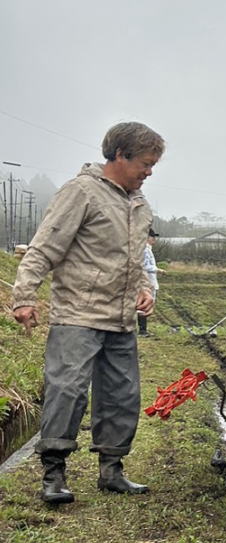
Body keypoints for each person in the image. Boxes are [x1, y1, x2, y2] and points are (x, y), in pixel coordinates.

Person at [12, 121, 164, 504]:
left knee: (122, 394)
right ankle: (54, 473)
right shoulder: (81, 193)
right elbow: (44, 247)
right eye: (145, 163)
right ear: (119, 155)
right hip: (78, 313)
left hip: (120, 319)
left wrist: (145, 291)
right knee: (67, 390)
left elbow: (134, 261)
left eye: (153, 165)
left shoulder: (140, 205)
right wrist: (24, 296)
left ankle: (111, 471)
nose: (149, 172)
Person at [138, 229, 161, 336]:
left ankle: (143, 329)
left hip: (150, 280)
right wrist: (158, 269)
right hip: (147, 280)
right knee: (145, 304)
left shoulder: (148, 249)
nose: (154, 239)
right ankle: (142, 330)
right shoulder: (145, 250)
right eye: (152, 237)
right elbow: (145, 265)